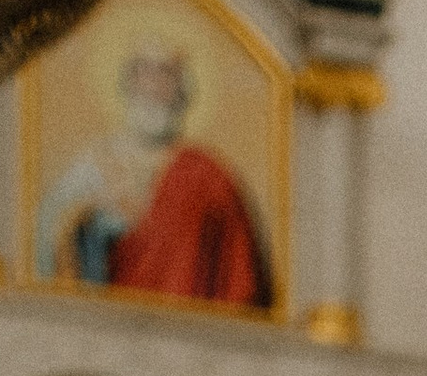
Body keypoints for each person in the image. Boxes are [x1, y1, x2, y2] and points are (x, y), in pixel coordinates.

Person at [33, 37, 271, 308]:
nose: (154, 87)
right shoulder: (96, 161)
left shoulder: (208, 175)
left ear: (182, 91)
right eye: (145, 73)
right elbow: (52, 226)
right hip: (111, 317)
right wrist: (91, 213)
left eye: (166, 75)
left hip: (187, 327)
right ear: (128, 85)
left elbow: (239, 273)